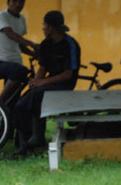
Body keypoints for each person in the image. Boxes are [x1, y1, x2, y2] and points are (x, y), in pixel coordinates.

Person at [12, 10, 80, 157]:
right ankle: (24, 142)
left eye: (44, 25)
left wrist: (42, 82)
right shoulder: (45, 44)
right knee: (20, 104)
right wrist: (36, 81)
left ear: (51, 27)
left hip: (64, 84)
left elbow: (68, 74)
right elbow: (42, 68)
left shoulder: (70, 44)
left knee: (37, 95)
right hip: (47, 83)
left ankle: (37, 137)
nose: (42, 28)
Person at [0, 0, 37, 103]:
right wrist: (32, 44)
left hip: (15, 64)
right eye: (14, 1)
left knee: (13, 100)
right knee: (20, 72)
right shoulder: (1, 16)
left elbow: (20, 46)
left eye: (21, 2)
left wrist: (35, 54)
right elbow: (9, 33)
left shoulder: (22, 19)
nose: (17, 4)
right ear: (8, 2)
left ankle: (6, 118)